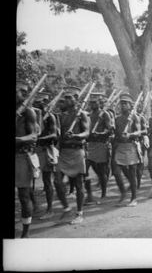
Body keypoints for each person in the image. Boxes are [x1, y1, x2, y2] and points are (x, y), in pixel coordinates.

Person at [54, 86, 90, 225]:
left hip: (77, 152)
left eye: (70, 97)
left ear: (76, 99)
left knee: (79, 184)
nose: (67, 99)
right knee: (57, 181)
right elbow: (59, 134)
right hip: (63, 153)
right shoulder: (62, 115)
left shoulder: (82, 115)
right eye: (66, 97)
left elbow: (87, 133)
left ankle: (79, 213)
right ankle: (66, 207)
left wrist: (76, 135)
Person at [15, 80, 38, 238]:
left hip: (23, 156)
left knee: (24, 195)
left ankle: (25, 232)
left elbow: (34, 135)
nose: (21, 95)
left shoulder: (28, 112)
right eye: (19, 91)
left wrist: (20, 140)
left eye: (23, 92)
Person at [111, 93, 142, 207]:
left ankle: (134, 198)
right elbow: (115, 133)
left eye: (125, 103)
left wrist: (130, 134)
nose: (123, 105)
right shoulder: (117, 118)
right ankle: (123, 191)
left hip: (130, 146)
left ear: (130, 105)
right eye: (121, 103)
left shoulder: (135, 117)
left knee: (132, 172)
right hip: (119, 147)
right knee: (116, 171)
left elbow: (138, 132)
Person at [34, 91, 59, 220]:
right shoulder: (30, 115)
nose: (39, 104)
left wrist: (39, 138)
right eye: (37, 102)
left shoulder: (50, 117)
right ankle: (35, 206)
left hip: (45, 150)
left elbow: (55, 135)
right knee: (31, 180)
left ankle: (50, 209)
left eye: (42, 102)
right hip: (33, 151)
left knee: (47, 181)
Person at [84, 92, 112, 205]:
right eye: (91, 103)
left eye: (94, 102)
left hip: (101, 145)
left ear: (99, 103)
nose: (92, 105)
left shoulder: (105, 114)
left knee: (101, 172)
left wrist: (100, 133)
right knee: (84, 171)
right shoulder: (88, 115)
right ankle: (89, 195)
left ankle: (104, 194)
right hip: (90, 146)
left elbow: (110, 129)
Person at [136, 101, 149, 190]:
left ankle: (139, 181)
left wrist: (137, 133)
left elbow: (145, 130)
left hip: (141, 141)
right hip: (132, 142)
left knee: (140, 163)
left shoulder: (142, 118)